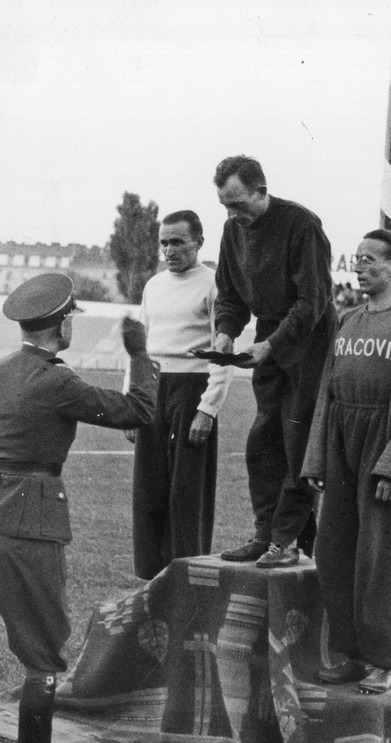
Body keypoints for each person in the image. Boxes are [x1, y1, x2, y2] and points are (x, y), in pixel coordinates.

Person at [0, 273, 158, 743]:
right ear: (62, 323)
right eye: (72, 316)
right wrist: (139, 354)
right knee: (44, 654)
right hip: (27, 519)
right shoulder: (57, 381)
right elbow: (139, 411)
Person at [301, 229, 391, 694]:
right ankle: (352, 654)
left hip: (381, 446)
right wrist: (317, 458)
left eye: (369, 260)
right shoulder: (349, 320)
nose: (359, 267)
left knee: (380, 557)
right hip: (341, 441)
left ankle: (385, 660)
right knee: (333, 550)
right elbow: (328, 390)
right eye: (356, 259)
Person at [212, 155, 337, 568]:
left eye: (238, 204)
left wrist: (273, 344)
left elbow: (312, 300)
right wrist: (226, 332)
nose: (232, 215)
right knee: (262, 442)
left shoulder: (302, 224)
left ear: (261, 191)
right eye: (225, 206)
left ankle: (286, 541)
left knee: (298, 442)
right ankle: (267, 535)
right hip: (269, 337)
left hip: (310, 340)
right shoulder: (232, 231)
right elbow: (229, 294)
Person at [124, 210, 233, 580]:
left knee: (186, 491)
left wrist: (208, 409)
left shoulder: (215, 284)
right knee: (148, 488)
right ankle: (149, 577)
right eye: (164, 243)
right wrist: (132, 401)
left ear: (198, 242)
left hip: (192, 389)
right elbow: (139, 347)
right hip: (153, 387)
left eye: (177, 242)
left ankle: (186, 576)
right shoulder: (154, 285)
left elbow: (223, 352)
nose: (169, 250)